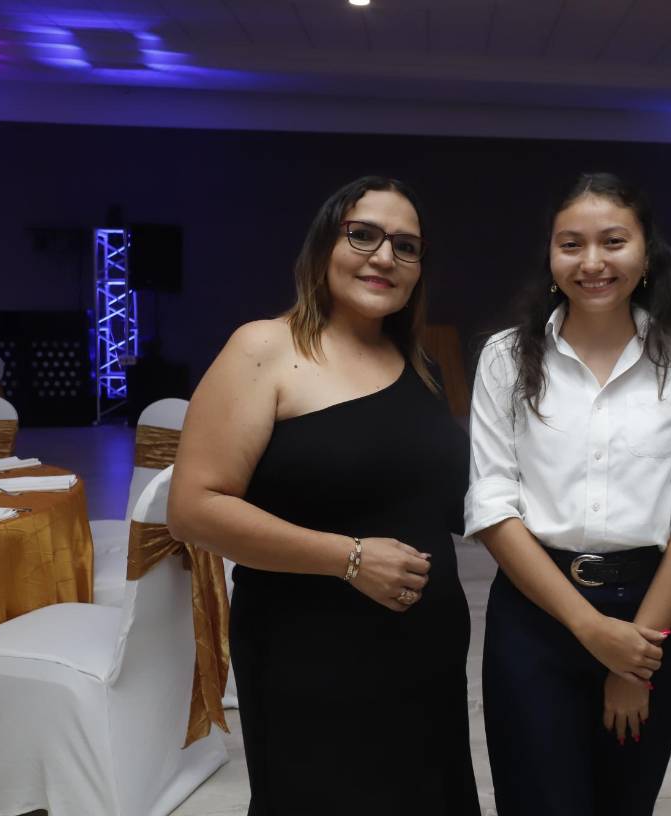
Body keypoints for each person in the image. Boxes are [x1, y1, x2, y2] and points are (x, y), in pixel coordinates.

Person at [167, 176, 479, 815]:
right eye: (362, 234)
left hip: (426, 659)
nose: (385, 256)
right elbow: (193, 508)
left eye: (406, 246)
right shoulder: (264, 348)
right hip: (309, 659)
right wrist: (350, 558)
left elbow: (442, 502)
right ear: (322, 246)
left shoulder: (416, 364)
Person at [465, 172, 671, 816]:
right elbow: (493, 506)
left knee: (623, 803)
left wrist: (633, 656)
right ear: (551, 259)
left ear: (645, 256)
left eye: (612, 242)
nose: (592, 263)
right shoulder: (506, 357)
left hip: (650, 617)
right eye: (570, 244)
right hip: (536, 618)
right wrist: (590, 629)